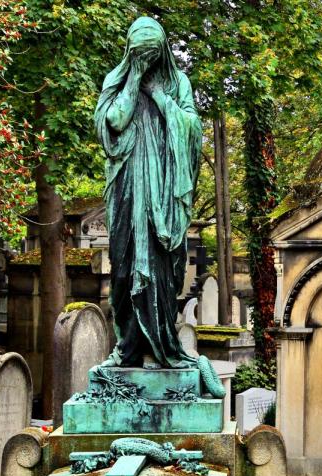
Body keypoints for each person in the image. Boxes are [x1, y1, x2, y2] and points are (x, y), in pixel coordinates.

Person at [93, 16, 202, 370]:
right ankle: (126, 350)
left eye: (152, 55)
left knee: (162, 273)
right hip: (126, 191)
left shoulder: (177, 83)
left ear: (163, 51)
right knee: (123, 270)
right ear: (130, 51)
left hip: (164, 200)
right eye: (140, 55)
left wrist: (158, 95)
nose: (147, 61)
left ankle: (161, 348)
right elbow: (114, 122)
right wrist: (136, 78)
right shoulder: (117, 80)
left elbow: (192, 128)